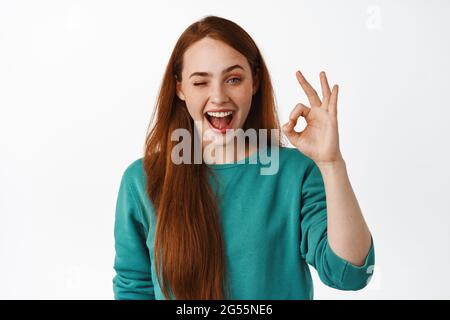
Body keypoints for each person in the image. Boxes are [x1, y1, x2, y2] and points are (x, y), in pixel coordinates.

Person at [112, 15, 375, 300]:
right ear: (180, 89)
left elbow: (350, 275)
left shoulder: (296, 173)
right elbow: (134, 288)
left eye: (233, 79)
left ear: (255, 82)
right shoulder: (141, 180)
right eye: (201, 82)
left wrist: (332, 164)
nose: (218, 96)